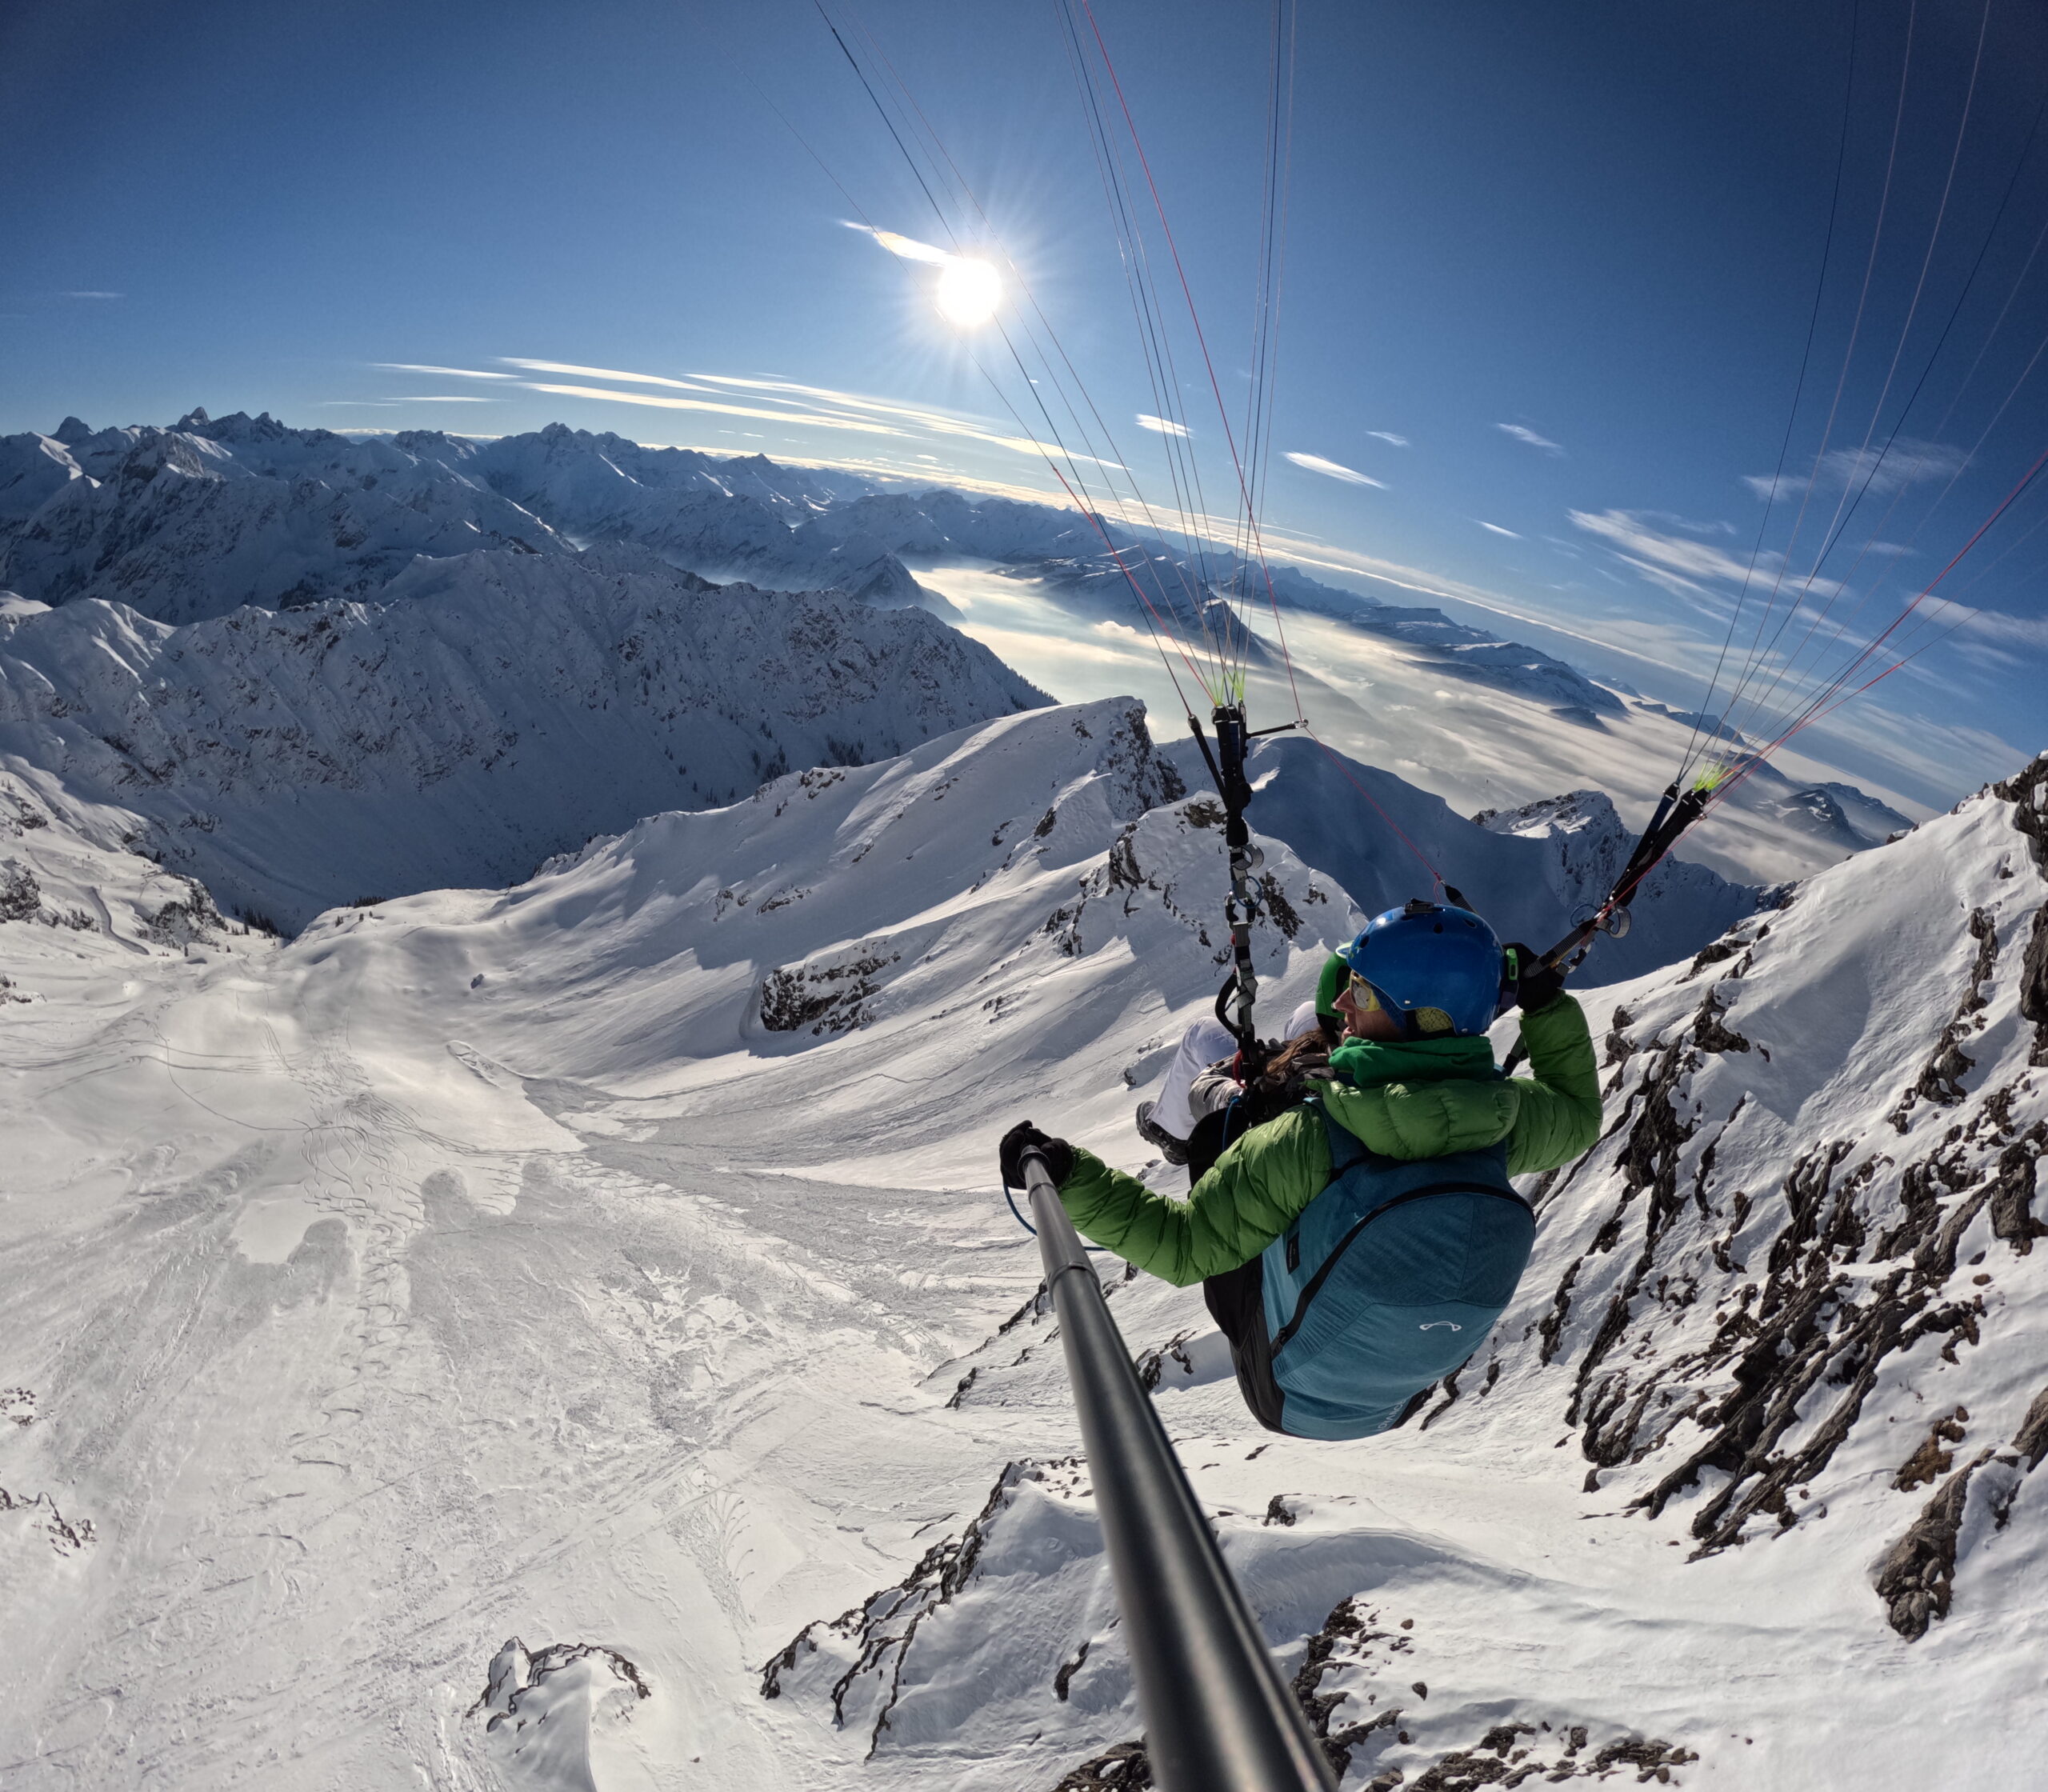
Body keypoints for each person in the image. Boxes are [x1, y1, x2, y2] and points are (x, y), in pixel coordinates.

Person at [1001, 900, 1602, 1439]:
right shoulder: (1504, 1118)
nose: (1341, 1003)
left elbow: (1183, 1249)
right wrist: (1545, 1005)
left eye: (1361, 994)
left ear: (1424, 1018)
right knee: (1295, 1057)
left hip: (1285, 1388)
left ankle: (1206, 1126)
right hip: (1392, 1397)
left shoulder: (1305, 1142)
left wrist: (1068, 1171)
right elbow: (1577, 1117)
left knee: (1223, 1130)